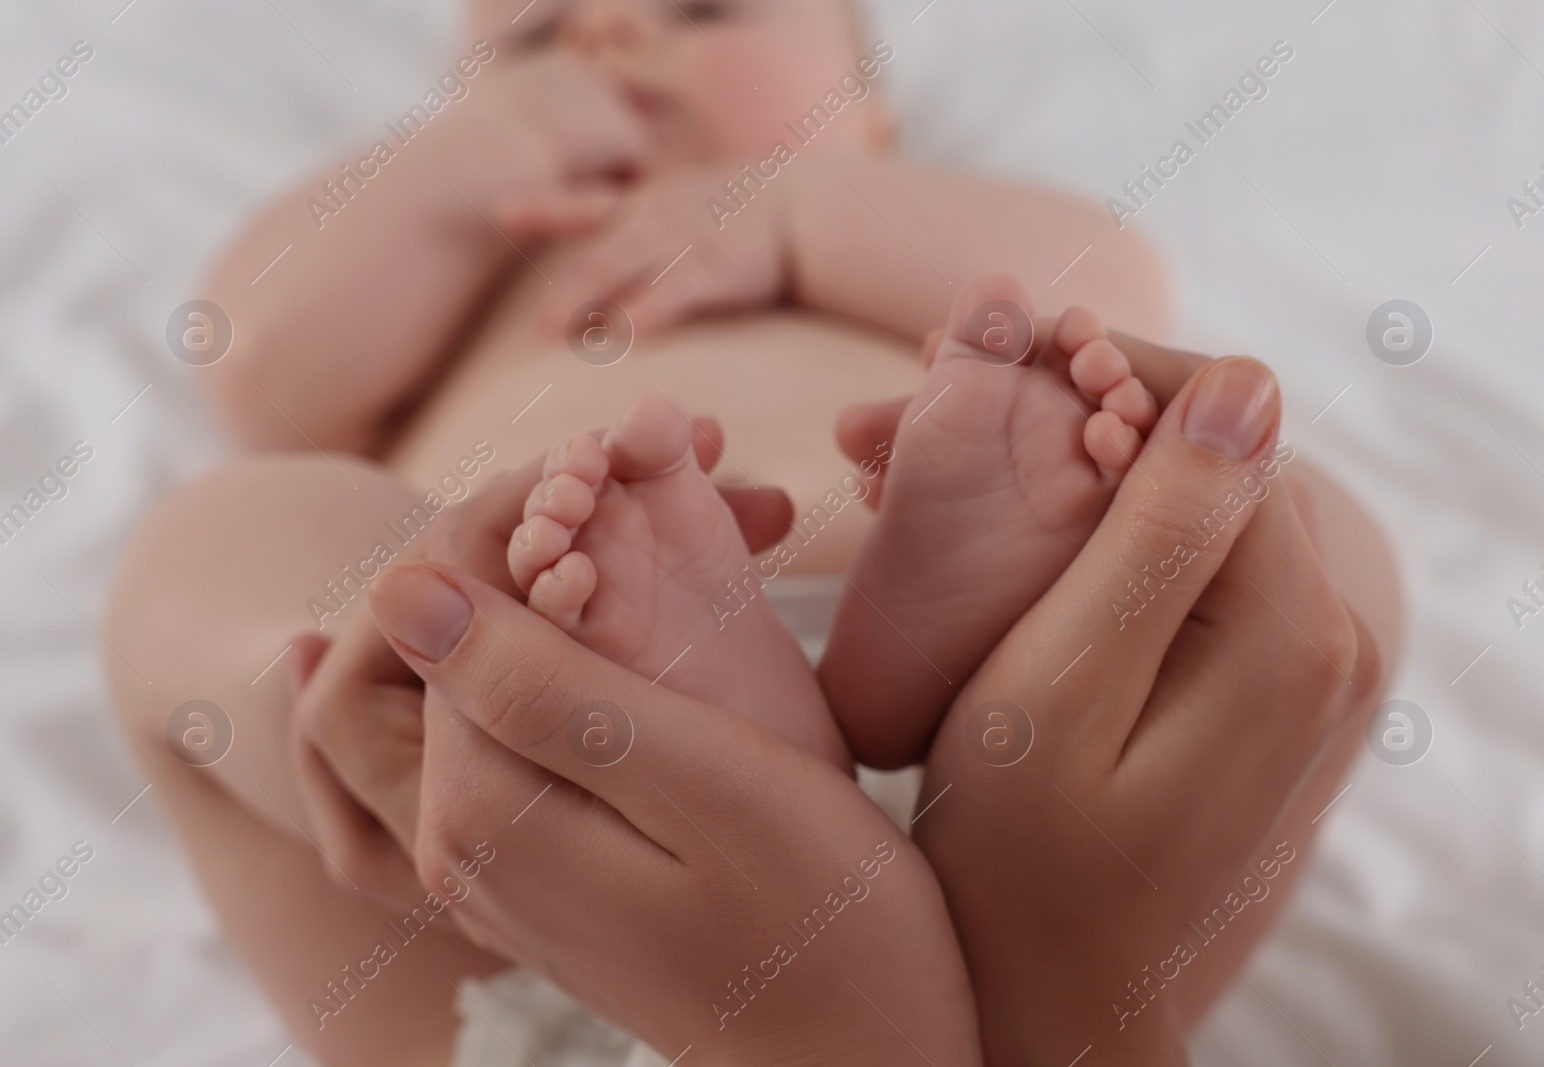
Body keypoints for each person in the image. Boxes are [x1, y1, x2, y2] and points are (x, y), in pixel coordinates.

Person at [100, 0, 1401, 1062]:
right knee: (217, 544)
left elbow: (1103, 291)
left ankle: (883, 671)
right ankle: (544, 687)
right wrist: (455, 172)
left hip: (1024, 757)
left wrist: (789, 215)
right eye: (536, 37)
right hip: (509, 834)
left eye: (704, 9)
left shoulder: (871, 231)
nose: (611, 37)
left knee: (1300, 534)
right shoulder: (483, 266)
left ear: (874, 125)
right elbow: (261, 369)